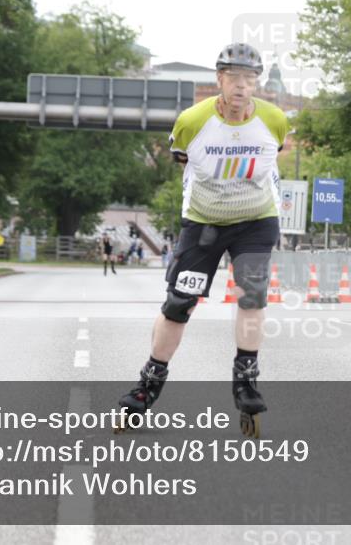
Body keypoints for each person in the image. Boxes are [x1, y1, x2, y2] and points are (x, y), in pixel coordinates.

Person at [116, 43, 287, 438]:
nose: (242, 87)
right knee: (180, 303)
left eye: (249, 79)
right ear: (219, 80)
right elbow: (181, 161)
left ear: (257, 82)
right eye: (234, 78)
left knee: (251, 295)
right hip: (204, 223)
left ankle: (246, 381)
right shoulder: (192, 122)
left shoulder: (274, 120)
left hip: (257, 221)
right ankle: (147, 386)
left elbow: (273, 154)